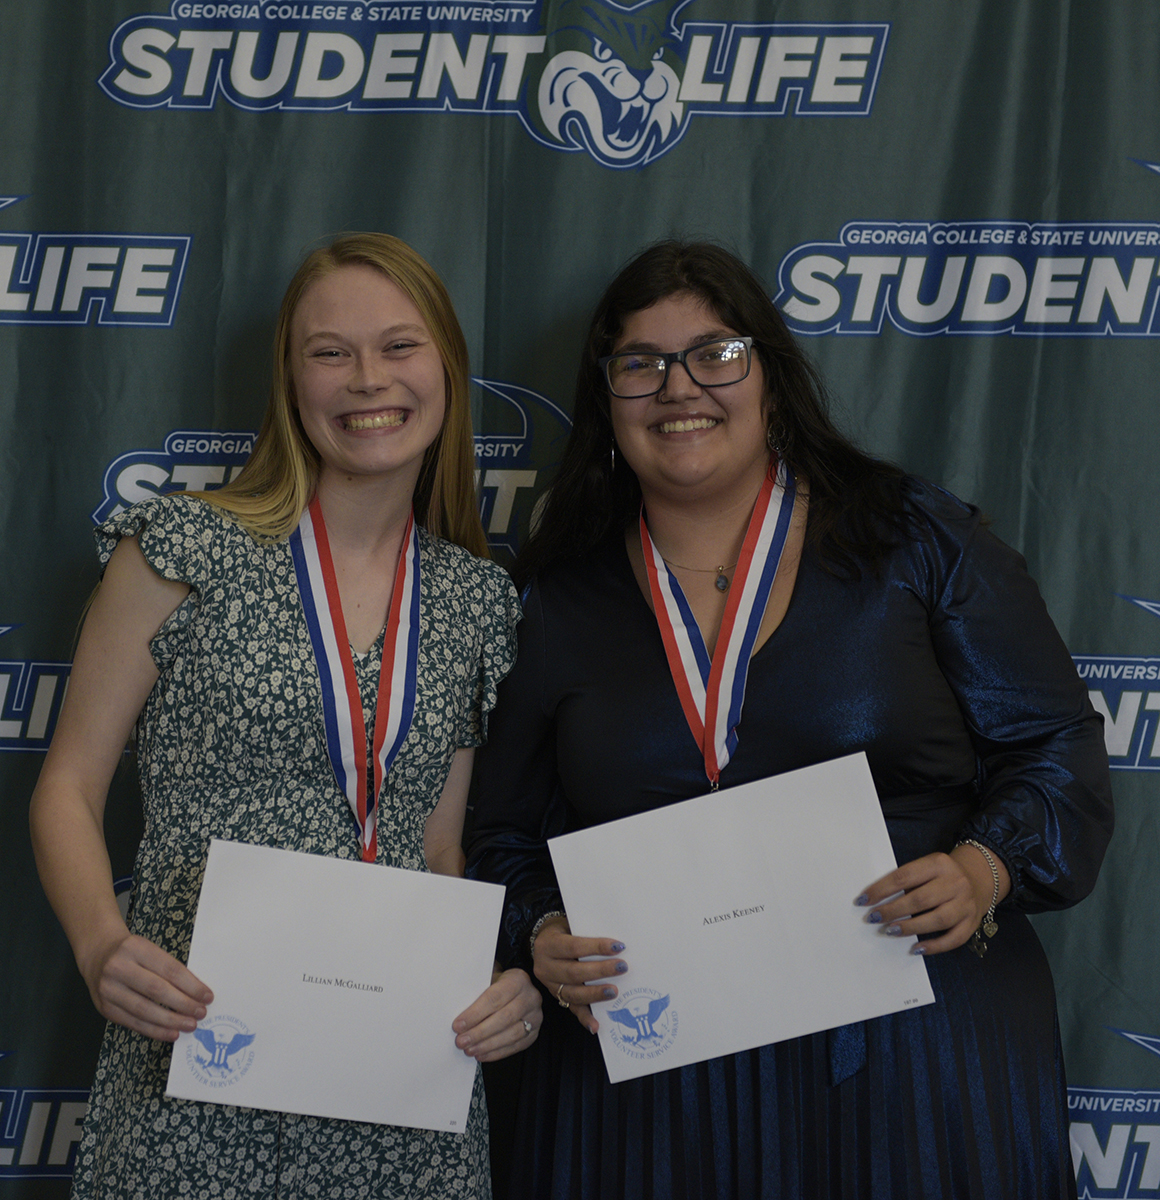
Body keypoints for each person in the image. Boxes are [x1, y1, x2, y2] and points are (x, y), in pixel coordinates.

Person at [466, 240, 1113, 1199]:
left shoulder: (914, 539)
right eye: (639, 364)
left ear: (772, 374)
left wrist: (986, 867)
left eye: (716, 354)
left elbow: (1056, 747)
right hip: (655, 1083)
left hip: (915, 1055)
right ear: (606, 399)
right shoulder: (552, 600)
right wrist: (539, 931)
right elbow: (497, 837)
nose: (679, 388)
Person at [30, 232, 542, 1199]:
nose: (365, 379)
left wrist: (495, 980)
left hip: (399, 1080)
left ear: (447, 370)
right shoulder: (184, 546)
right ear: (290, 380)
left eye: (398, 346)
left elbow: (438, 854)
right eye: (329, 351)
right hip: (195, 1048)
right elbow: (68, 784)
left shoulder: (476, 600)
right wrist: (101, 940)